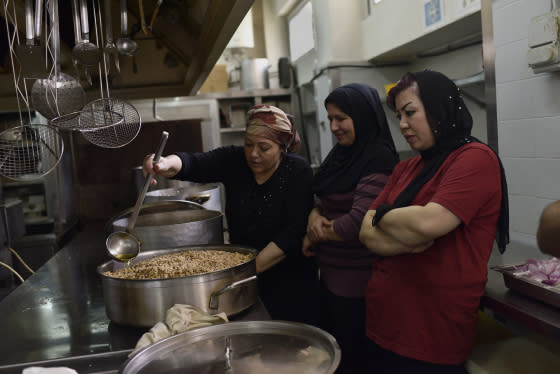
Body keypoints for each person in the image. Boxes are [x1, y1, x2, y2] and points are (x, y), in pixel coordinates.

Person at [359, 70, 509, 373]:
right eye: (399, 115)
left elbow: (429, 224)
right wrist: (403, 235)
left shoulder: (474, 158)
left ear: (439, 108)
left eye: (410, 112)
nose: (402, 125)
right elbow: (365, 231)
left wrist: (384, 215)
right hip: (384, 319)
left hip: (432, 330)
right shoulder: (406, 168)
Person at [142, 104, 318, 324]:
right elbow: (193, 163)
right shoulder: (235, 160)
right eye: (248, 145)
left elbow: (293, 232)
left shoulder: (297, 171)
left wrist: (242, 271)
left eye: (264, 148)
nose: (253, 154)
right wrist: (164, 163)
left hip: (291, 282)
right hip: (243, 280)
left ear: (282, 148)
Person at [302, 83, 399, 373]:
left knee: (355, 362)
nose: (334, 126)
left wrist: (314, 233)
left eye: (341, 118)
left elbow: (358, 223)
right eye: (330, 118)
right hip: (332, 279)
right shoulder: (342, 156)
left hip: (359, 286)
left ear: (363, 116)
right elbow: (321, 195)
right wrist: (314, 215)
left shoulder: (378, 158)